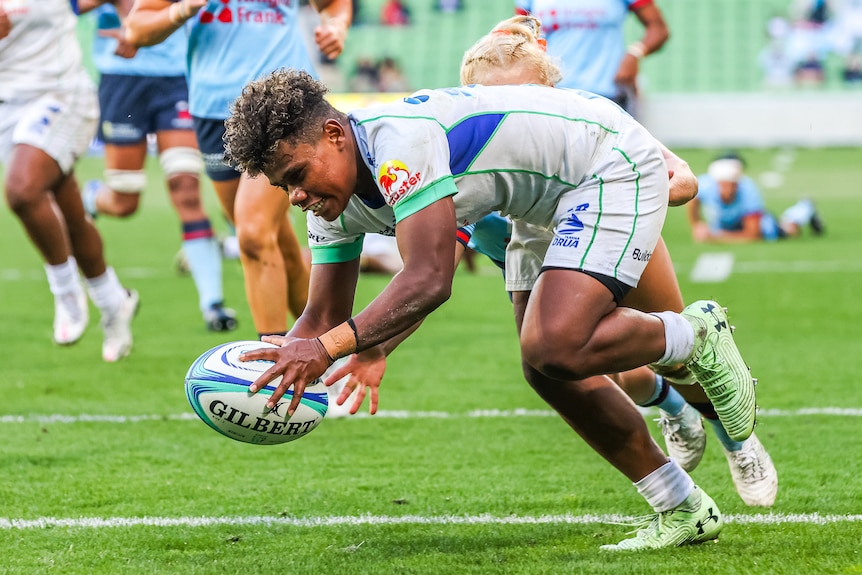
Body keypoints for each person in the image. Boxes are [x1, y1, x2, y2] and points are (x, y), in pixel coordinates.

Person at [223, 66, 761, 549]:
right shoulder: (329, 205)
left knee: (555, 341)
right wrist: (271, 366)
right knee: (545, 368)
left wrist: (328, 348)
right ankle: (682, 507)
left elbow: (430, 277)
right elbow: (320, 319)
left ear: (335, 135)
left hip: (605, 162)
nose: (294, 196)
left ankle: (697, 334)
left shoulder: (398, 143)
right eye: (281, 186)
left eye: (295, 175)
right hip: (538, 204)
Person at [328, 15, 778, 510]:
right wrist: (377, 347)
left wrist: (633, 197)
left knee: (671, 357)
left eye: (522, 98)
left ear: (549, 93)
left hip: (606, 219)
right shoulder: (454, 164)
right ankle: (673, 415)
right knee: (570, 361)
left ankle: (739, 443)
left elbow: (683, 181)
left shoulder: (577, 122)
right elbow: (435, 271)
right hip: (538, 252)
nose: (510, 110)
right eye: (494, 99)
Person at [124, 0, 353, 339]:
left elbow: (334, 4)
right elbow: (137, 30)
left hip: (283, 105)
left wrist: (336, 26)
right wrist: (184, 9)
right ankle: (330, 349)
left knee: (254, 233)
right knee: (277, 242)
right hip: (213, 113)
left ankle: (273, 364)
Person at [79, 0, 237, 332]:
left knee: (186, 188)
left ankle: (213, 305)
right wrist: (129, 15)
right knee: (125, 200)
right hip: (121, 78)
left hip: (176, 79)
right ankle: (92, 198)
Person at [0, 0, 139, 362]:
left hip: (63, 95)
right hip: (7, 106)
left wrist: (131, 22)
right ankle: (113, 301)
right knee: (70, 216)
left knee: (21, 191)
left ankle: (65, 292)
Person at [514, 0, 670, 116]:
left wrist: (634, 54)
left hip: (608, 93)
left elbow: (658, 28)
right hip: (552, 92)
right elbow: (520, 36)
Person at [688, 152, 824, 243]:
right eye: (724, 184)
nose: (729, 189)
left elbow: (753, 234)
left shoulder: (749, 190)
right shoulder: (704, 184)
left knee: (788, 230)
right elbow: (693, 201)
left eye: (733, 184)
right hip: (725, 222)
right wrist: (696, 225)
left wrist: (716, 238)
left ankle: (806, 207)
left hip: (749, 220)